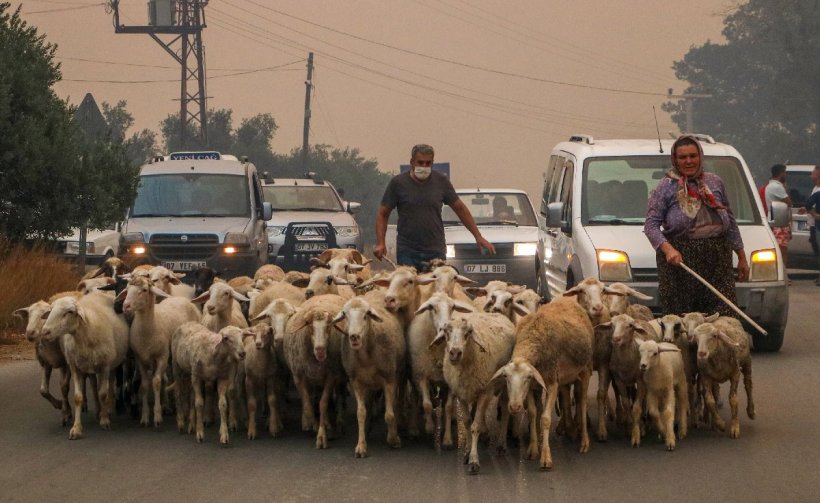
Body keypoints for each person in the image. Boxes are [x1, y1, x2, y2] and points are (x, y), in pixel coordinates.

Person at [644, 135, 748, 317]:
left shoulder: (715, 182)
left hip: (717, 259)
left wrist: (741, 256)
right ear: (675, 159)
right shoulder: (665, 187)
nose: (689, 161)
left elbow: (730, 220)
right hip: (680, 262)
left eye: (693, 156)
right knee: (682, 321)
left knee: (722, 316)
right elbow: (651, 225)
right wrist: (669, 250)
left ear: (700, 156)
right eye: (682, 157)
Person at [374, 144, 495, 270]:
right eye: (420, 163)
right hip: (407, 250)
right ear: (412, 162)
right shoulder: (398, 183)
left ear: (432, 162)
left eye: (428, 163)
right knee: (408, 287)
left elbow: (460, 209)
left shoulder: (441, 181)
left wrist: (478, 236)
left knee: (436, 288)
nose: (424, 167)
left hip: (435, 250)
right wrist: (380, 242)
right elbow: (383, 214)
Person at [764, 164, 793, 271]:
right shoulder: (777, 187)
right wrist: (785, 188)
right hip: (779, 223)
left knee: (778, 249)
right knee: (783, 250)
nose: (785, 175)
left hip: (774, 220)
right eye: (784, 173)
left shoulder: (769, 186)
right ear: (780, 173)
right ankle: (783, 273)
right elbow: (789, 202)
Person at [805, 165, 820, 285]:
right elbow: (808, 204)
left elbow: (808, 203)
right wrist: (813, 213)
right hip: (814, 224)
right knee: (817, 250)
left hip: (817, 225)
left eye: (813, 173)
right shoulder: (816, 189)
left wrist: (813, 213)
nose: (811, 176)